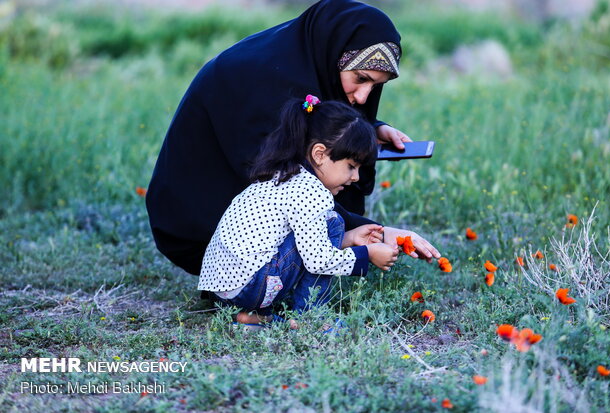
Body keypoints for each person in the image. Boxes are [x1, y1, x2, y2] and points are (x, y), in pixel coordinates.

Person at [146, 0, 441, 277]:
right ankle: (244, 288)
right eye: (361, 78)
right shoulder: (267, 82)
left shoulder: (306, 59)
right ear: (335, 55)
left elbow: (314, 113)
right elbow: (286, 183)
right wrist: (373, 231)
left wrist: (371, 128)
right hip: (198, 221)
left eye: (376, 86)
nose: (363, 96)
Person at [198, 96, 399, 326]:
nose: (355, 178)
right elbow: (318, 261)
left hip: (223, 291)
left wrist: (350, 239)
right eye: (351, 166)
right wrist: (367, 254)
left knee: (332, 224)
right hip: (252, 286)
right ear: (319, 154)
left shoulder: (283, 175)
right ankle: (311, 316)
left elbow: (303, 241)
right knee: (332, 221)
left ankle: (251, 317)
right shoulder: (311, 191)